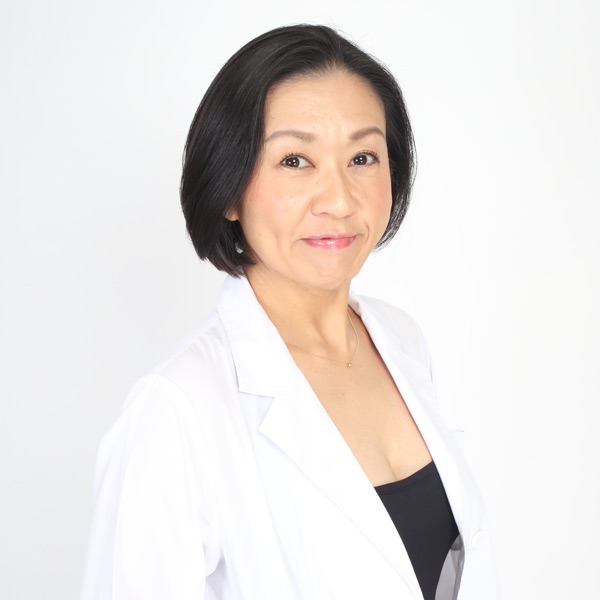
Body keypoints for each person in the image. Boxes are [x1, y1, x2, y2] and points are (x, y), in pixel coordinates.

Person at [81, 24, 499, 600]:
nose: (339, 200)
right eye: (296, 160)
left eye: (363, 157)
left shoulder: (400, 340)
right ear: (229, 188)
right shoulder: (178, 407)